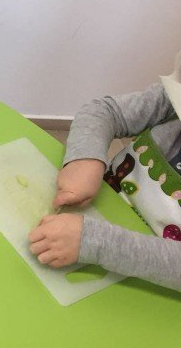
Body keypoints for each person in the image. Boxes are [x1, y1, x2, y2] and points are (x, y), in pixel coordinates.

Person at [28, 51, 181, 291]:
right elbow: (105, 111)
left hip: (144, 287)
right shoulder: (172, 100)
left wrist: (94, 242)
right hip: (92, 217)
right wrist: (86, 159)